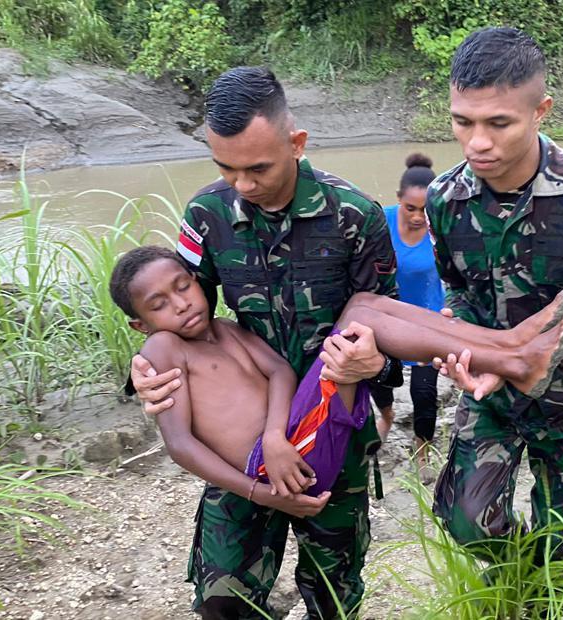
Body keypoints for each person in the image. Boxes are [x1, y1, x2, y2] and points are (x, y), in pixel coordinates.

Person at [128, 66, 405, 620]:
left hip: (332, 428)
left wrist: (377, 366)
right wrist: (141, 371)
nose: (243, 186)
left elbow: (386, 325)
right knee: (221, 596)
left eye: (258, 168)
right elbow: (181, 316)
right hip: (246, 437)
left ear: (296, 143)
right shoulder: (207, 215)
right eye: (226, 168)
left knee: (333, 589)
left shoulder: (355, 216)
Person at [112, 246, 563, 519]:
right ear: (141, 326)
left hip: (291, 441)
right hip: (279, 469)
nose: (179, 304)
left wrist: (275, 434)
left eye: (182, 286)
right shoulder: (164, 349)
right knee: (358, 315)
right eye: (158, 304)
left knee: (360, 304)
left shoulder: (228, 330)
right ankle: (514, 358)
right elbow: (179, 446)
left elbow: (279, 372)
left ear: (198, 281)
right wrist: (262, 491)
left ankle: (509, 346)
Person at [426, 27, 563, 560]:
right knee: (465, 519)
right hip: (490, 395)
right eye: (462, 121)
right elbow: (458, 292)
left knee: (560, 544)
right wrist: (464, 348)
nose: (477, 141)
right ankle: (512, 581)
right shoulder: (445, 199)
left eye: (499, 123)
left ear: (540, 110)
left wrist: (531, 358)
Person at [366, 153, 444, 478]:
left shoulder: (441, 231)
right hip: (385, 318)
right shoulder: (380, 221)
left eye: (426, 209)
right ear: (399, 200)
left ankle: (422, 445)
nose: (418, 217)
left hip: (425, 320)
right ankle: (385, 416)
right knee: (379, 377)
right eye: (411, 208)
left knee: (425, 393)